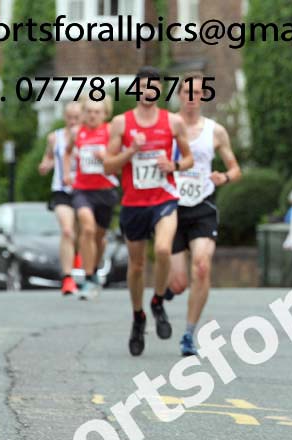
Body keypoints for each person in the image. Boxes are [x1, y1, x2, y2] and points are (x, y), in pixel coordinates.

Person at [104, 66, 194, 357]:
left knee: (164, 250)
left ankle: (157, 301)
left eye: (153, 87)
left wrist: (175, 166)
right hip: (133, 204)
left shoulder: (173, 122)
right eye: (143, 86)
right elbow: (108, 166)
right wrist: (131, 151)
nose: (148, 91)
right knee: (137, 266)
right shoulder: (121, 123)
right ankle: (138, 315)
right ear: (137, 89)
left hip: (164, 198)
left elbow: (189, 158)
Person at [166, 73, 242, 356]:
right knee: (179, 282)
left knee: (201, 266)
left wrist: (224, 176)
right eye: (187, 92)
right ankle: (167, 293)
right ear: (179, 95)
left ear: (203, 96)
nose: (191, 97)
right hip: (172, 207)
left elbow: (236, 169)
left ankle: (188, 333)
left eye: (197, 93)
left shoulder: (216, 131)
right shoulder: (167, 125)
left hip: (203, 206)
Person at [64, 96, 120, 300]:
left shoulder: (110, 132)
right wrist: (67, 172)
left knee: (99, 237)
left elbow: (120, 160)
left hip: (105, 190)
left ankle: (94, 269)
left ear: (105, 114)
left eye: (97, 112)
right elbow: (67, 152)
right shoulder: (77, 132)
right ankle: (87, 278)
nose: (92, 116)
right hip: (83, 190)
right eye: (88, 112)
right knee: (87, 228)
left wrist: (106, 158)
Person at [39, 101, 82, 295]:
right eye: (69, 117)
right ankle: (67, 278)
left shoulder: (87, 136)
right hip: (61, 189)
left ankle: (79, 257)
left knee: (82, 231)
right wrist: (45, 165)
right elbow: (48, 157)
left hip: (83, 189)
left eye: (76, 117)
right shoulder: (54, 137)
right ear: (64, 117)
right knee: (67, 230)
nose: (72, 121)